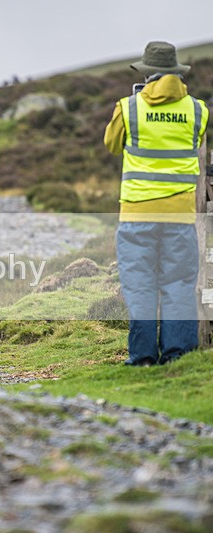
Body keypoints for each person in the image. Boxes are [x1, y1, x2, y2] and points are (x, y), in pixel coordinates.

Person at [104, 41, 209, 366]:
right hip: (180, 214)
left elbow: (112, 145)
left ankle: (144, 356)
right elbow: (196, 142)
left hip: (138, 213)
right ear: (177, 72)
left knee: (140, 284)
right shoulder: (198, 109)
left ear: (147, 73)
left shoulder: (130, 106)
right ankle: (179, 356)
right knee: (179, 284)